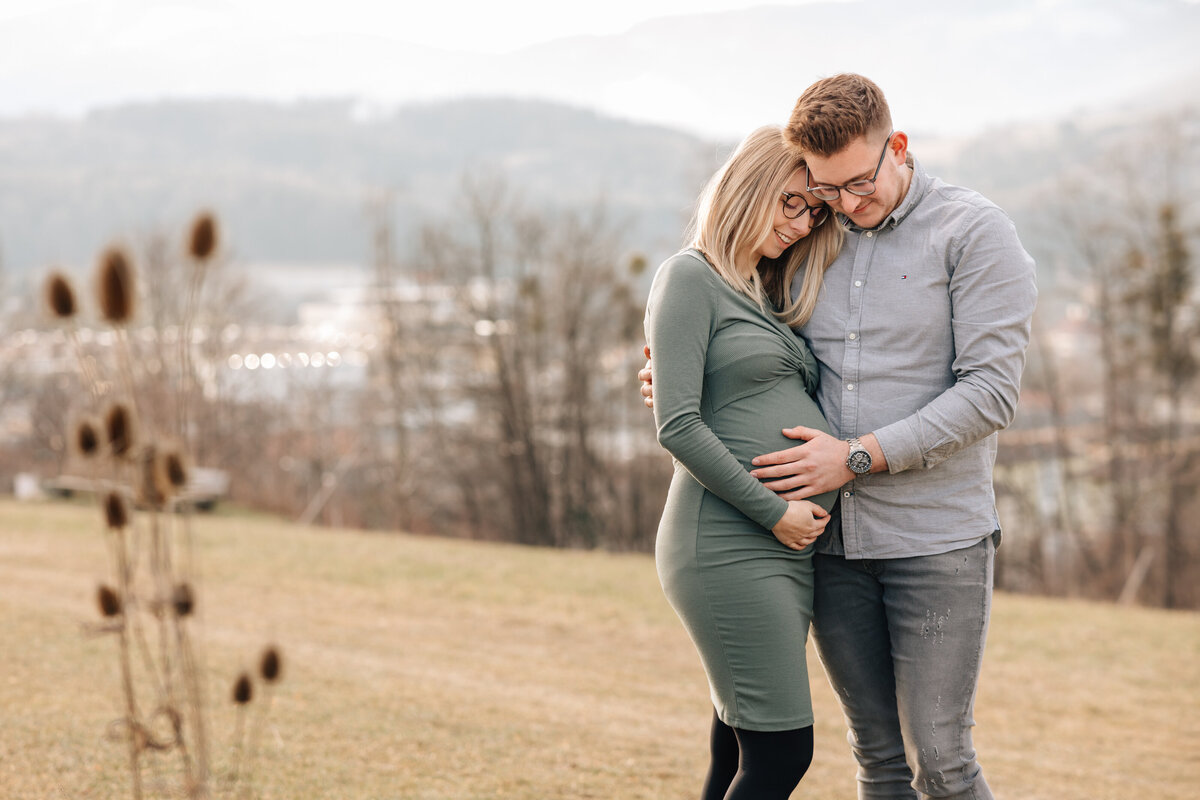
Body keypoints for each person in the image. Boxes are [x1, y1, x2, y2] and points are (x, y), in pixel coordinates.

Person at [641, 74, 1037, 800]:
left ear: (900, 146)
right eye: (827, 193)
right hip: (831, 546)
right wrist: (670, 383)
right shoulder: (813, 242)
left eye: (859, 183)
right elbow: (732, 342)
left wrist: (855, 456)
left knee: (942, 764)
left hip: (934, 537)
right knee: (876, 760)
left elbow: (990, 393)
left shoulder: (974, 232)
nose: (845, 207)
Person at [644, 124, 844, 800]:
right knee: (782, 752)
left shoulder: (762, 288)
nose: (802, 222)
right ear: (748, 186)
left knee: (734, 745)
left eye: (813, 211)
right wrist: (776, 511)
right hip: (729, 538)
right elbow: (677, 423)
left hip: (779, 545)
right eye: (791, 201)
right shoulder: (689, 276)